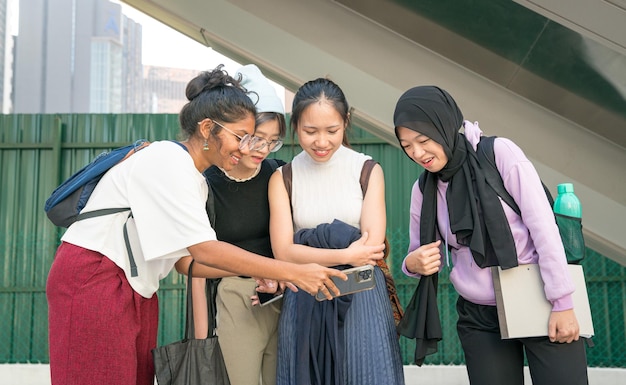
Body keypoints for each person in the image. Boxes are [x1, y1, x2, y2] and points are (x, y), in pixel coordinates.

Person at [45, 65, 347, 385]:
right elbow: (205, 251)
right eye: (239, 137)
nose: (246, 148)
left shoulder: (194, 180)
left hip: (136, 287)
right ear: (207, 128)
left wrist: (254, 270)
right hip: (95, 276)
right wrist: (291, 271)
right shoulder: (167, 159)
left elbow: (186, 262)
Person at [393, 85, 589, 385]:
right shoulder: (424, 189)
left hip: (540, 296)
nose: (418, 153)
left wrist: (562, 303)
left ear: (445, 125)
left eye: (423, 139)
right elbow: (416, 255)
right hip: (480, 316)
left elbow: (544, 228)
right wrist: (413, 264)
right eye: (407, 146)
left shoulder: (499, 154)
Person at [268, 78, 405, 385]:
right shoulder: (283, 178)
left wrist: (310, 250)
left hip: (362, 296)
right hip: (306, 295)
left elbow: (370, 249)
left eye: (331, 131)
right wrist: (344, 253)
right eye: (310, 131)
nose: (321, 141)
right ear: (296, 126)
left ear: (346, 122)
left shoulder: (367, 170)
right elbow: (283, 252)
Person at [191, 63, 287, 385]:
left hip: (283, 295)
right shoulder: (208, 183)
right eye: (256, 138)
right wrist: (201, 337)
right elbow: (196, 262)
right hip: (235, 300)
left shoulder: (279, 173)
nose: (263, 149)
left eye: (273, 141)